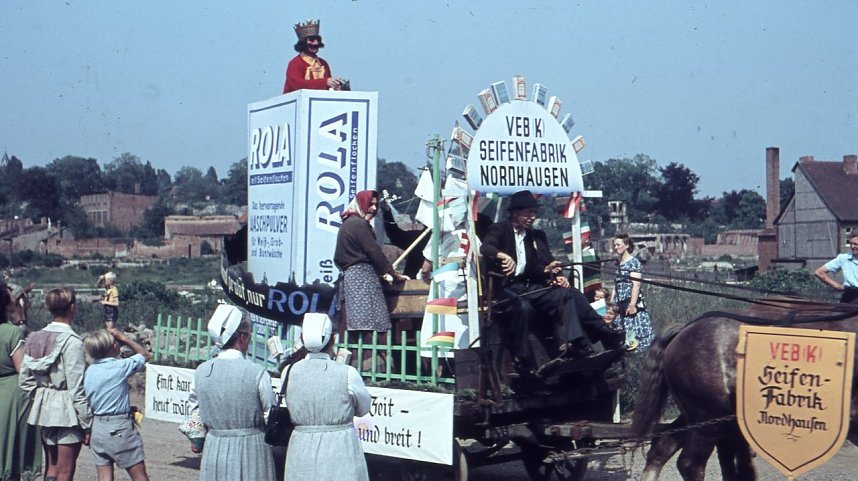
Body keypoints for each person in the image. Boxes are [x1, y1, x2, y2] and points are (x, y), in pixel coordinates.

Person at [480, 190, 623, 374]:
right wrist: (503, 256)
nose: (532, 217)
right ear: (515, 213)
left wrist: (548, 272)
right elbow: (486, 247)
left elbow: (532, 269)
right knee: (523, 308)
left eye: (534, 213)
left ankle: (580, 342)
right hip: (504, 288)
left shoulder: (530, 236)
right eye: (528, 213)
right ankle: (522, 359)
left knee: (567, 293)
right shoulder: (500, 229)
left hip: (527, 286)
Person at [283, 313, 371, 481]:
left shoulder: (289, 371)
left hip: (302, 448)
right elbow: (363, 408)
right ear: (333, 339)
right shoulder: (347, 373)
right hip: (340, 449)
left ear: (302, 338)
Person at [193, 304, 276, 481]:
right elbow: (270, 413)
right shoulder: (257, 372)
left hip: (215, 448)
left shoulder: (202, 371)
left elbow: (195, 411)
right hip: (251, 449)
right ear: (243, 337)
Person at [19, 287, 92, 481]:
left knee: (51, 469)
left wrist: (42, 397)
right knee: (65, 471)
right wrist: (87, 424)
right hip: (67, 411)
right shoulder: (73, 342)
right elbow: (77, 388)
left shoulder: (34, 337)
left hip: (45, 408)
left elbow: (25, 380)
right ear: (73, 308)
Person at [82, 329, 151, 481]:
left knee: (104, 477)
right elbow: (145, 355)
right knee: (139, 476)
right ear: (113, 347)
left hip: (98, 427)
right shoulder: (120, 366)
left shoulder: (90, 371)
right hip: (119, 427)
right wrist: (125, 338)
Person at [335, 190, 407, 333]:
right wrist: (392, 272)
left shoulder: (351, 223)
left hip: (355, 279)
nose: (374, 209)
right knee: (371, 324)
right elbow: (374, 252)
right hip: (362, 281)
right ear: (361, 204)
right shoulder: (357, 224)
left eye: (376, 205)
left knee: (357, 322)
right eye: (370, 204)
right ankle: (369, 354)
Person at [0, 283, 41, 481]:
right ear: (7, 305)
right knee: (14, 451)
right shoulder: (12, 333)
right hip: (11, 395)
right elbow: (22, 369)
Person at [612, 234, 654, 351]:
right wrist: (612, 301)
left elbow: (636, 285)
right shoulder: (618, 265)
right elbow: (616, 285)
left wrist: (632, 304)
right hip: (620, 304)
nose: (615, 247)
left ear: (626, 246)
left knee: (635, 336)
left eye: (618, 245)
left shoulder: (633, 263)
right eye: (614, 245)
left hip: (630, 303)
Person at [283, 19, 346, 94]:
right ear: (303, 43)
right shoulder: (295, 63)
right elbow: (295, 85)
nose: (316, 43)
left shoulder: (323, 63)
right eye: (312, 40)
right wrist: (325, 82)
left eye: (318, 40)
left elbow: (327, 87)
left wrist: (336, 86)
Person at [380, 199, 428, 279]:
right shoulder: (421, 237)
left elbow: (396, 236)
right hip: (413, 284)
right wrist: (387, 213)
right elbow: (396, 236)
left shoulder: (428, 238)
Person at [814, 233, 858, 304]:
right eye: (850, 244)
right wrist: (837, 286)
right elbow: (819, 272)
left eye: (855, 244)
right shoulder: (844, 258)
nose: (852, 246)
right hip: (850, 298)